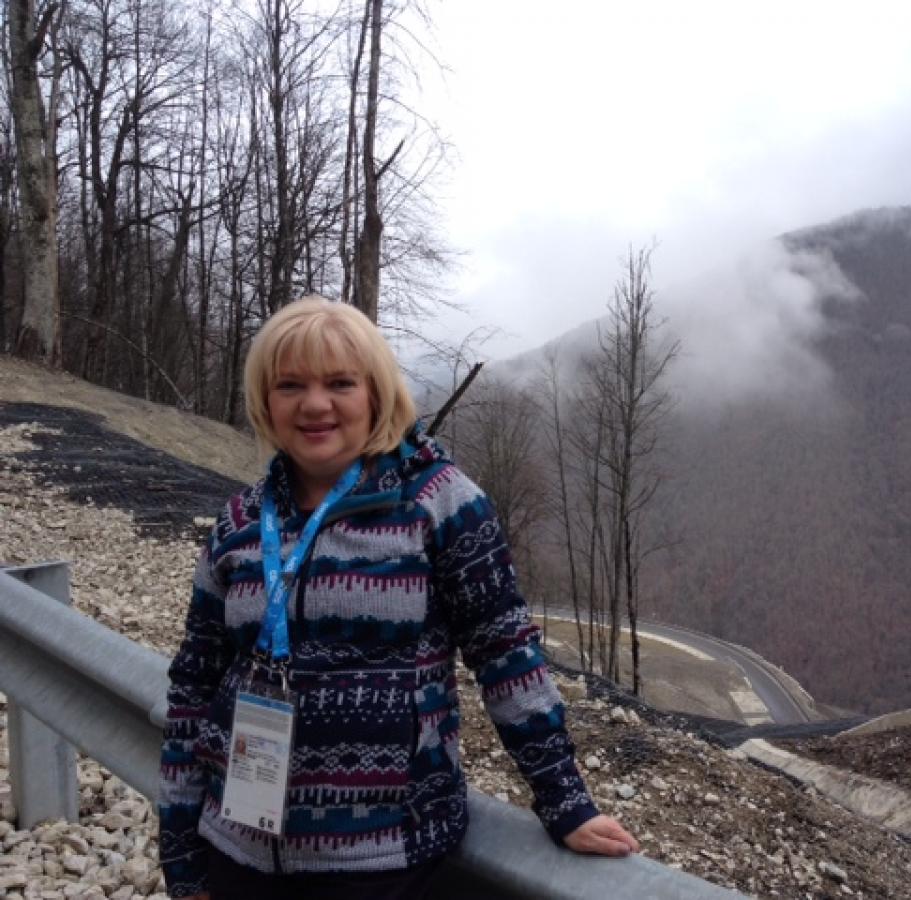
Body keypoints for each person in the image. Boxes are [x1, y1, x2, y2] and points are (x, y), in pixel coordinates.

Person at [159, 296, 638, 900]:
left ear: (376, 394)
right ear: (266, 399)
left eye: (340, 383)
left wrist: (565, 801)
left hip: (386, 860)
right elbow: (194, 685)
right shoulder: (239, 520)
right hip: (236, 849)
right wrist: (180, 851)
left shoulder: (441, 503)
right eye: (290, 385)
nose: (314, 404)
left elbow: (508, 658)